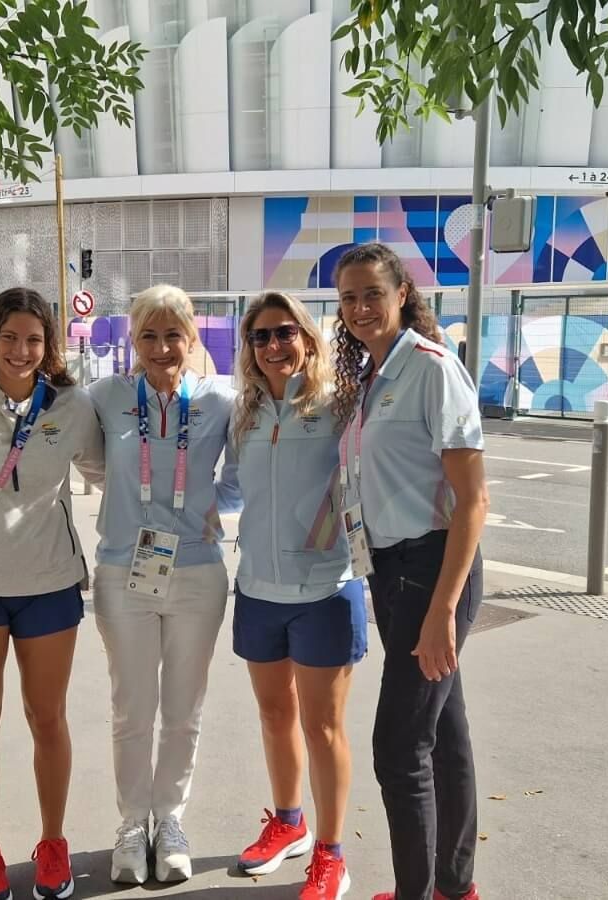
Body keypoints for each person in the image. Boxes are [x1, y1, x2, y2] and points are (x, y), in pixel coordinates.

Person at [0, 287, 105, 900]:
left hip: (51, 585)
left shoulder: (74, 406)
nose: (21, 350)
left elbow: (109, 471)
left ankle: (52, 842)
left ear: (48, 345)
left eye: (34, 339)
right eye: (9, 337)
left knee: (47, 718)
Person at [331, 243, 489, 900]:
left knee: (398, 750)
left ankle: (416, 893)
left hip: (433, 565)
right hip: (389, 570)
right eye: (348, 298)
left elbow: (473, 499)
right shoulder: (372, 375)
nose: (361, 308)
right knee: (443, 733)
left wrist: (444, 609)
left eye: (372, 293)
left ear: (402, 294)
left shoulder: (431, 369)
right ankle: (455, 887)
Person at [86, 284, 241, 885]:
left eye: (172, 334)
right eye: (148, 335)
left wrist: (212, 506)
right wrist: (124, 498)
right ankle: (131, 824)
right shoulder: (106, 396)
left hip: (198, 572)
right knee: (132, 709)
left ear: (192, 337)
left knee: (184, 710)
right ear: (133, 340)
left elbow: (247, 470)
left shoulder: (220, 400)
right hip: (124, 570)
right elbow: (85, 455)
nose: (160, 346)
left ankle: (170, 818)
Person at [229, 292, 364, 900]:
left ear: (308, 339)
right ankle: (289, 824)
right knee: (274, 713)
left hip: (324, 589)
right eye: (260, 336)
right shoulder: (246, 413)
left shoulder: (341, 405)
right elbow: (232, 491)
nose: (273, 346)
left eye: (285, 333)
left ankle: (332, 855)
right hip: (257, 587)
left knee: (323, 727)